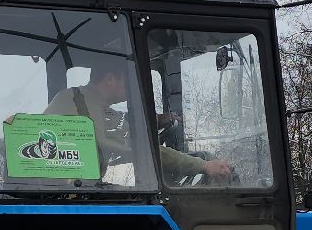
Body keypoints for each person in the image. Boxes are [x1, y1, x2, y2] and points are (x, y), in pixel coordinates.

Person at [45, 65, 232, 183]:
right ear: (110, 79)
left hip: (56, 187)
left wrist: (155, 120)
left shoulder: (72, 98)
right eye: (128, 82)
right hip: (76, 190)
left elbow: (116, 129)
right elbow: (144, 149)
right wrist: (203, 166)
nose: (131, 89)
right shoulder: (93, 110)